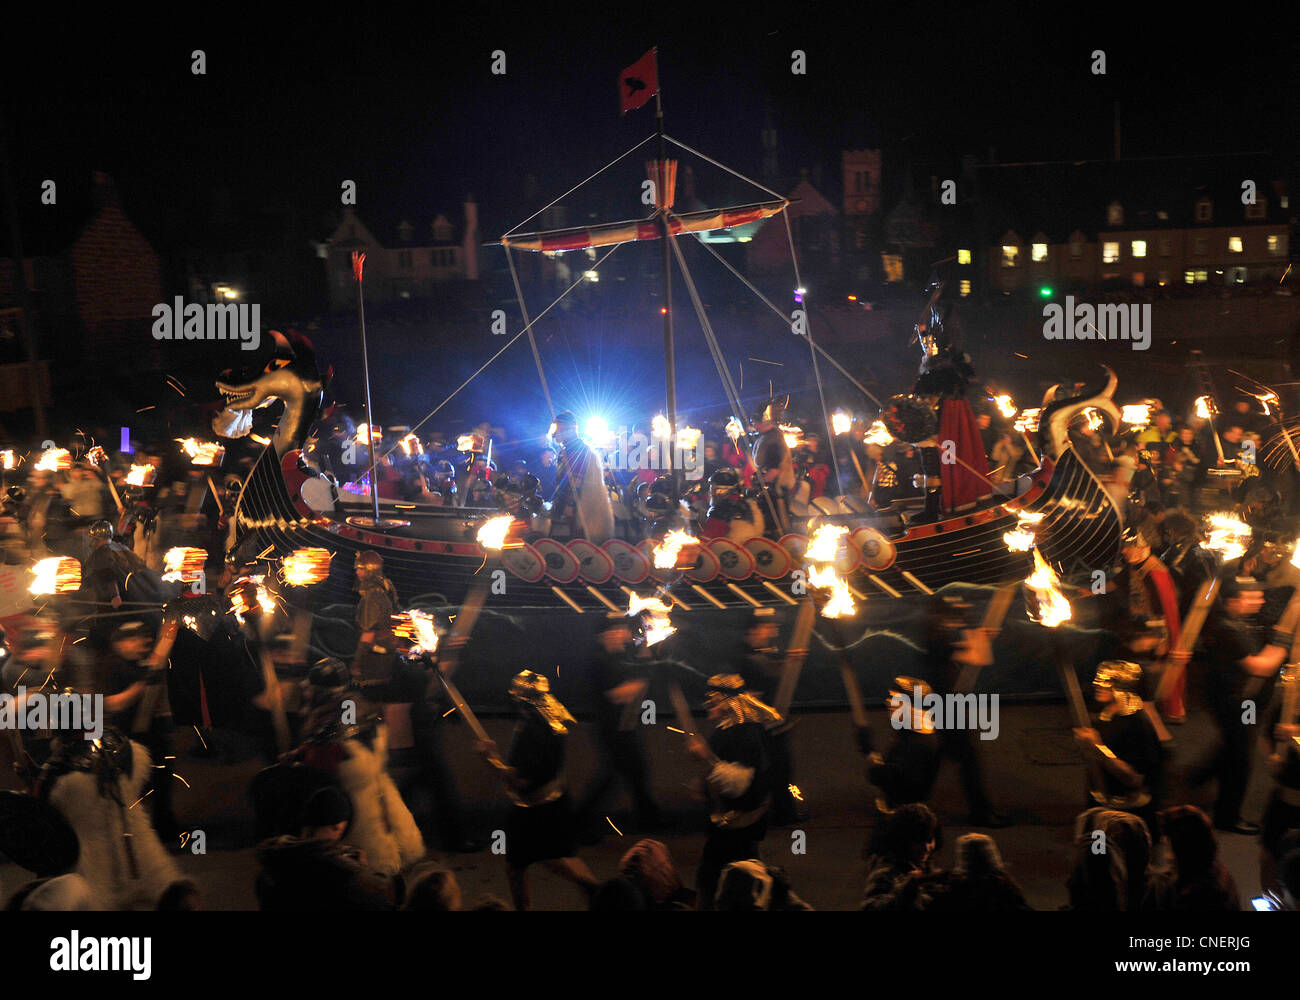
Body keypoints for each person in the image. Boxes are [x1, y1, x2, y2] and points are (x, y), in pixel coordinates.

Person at [476, 670, 597, 910]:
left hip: (537, 811)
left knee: (538, 862)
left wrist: (491, 760)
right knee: (521, 865)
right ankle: (598, 894)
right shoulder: (545, 717)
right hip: (551, 804)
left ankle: (599, 894)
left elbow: (521, 780)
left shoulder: (537, 731)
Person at [1187, 575, 1290, 834]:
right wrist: (1281, 648)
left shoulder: (1239, 623)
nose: (1261, 599)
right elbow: (1260, 667)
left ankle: (1198, 777)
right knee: (1240, 758)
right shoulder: (1228, 630)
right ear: (1233, 601)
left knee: (1235, 744)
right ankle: (1227, 817)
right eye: (1253, 596)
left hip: (1242, 702)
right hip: (1235, 703)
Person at [686, 673, 779, 909]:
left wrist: (705, 756)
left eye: (713, 700)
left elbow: (738, 783)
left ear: (729, 703)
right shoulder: (728, 728)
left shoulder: (745, 735)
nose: (708, 705)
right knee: (745, 870)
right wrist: (703, 784)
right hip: (734, 819)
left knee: (711, 877)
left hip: (739, 821)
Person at [574, 615, 668, 838]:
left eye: (623, 629)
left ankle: (649, 820)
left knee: (636, 773)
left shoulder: (620, 658)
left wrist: (647, 658)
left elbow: (638, 671)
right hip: (612, 729)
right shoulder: (600, 661)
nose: (624, 633)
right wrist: (644, 676)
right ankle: (578, 824)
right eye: (617, 629)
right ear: (605, 635)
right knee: (611, 777)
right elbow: (618, 696)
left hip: (627, 726)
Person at [97, 619, 182, 841]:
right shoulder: (112, 667)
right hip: (127, 738)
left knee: (162, 782)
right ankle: (133, 834)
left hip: (153, 736)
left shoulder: (141, 664)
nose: (144, 642)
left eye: (145, 637)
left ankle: (164, 828)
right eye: (136, 638)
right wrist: (142, 684)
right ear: (120, 644)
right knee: (135, 788)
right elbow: (114, 703)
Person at [255, 785, 394, 911]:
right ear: (339, 826)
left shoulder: (273, 864)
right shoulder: (341, 873)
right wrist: (362, 870)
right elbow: (380, 902)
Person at [1072, 660, 1164, 836]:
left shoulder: (1138, 725)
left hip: (1126, 815)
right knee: (1098, 853)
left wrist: (1098, 748)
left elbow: (1134, 779)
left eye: (1106, 681)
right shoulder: (1105, 714)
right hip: (1101, 807)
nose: (1097, 684)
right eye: (1098, 679)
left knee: (1124, 856)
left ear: (1123, 686)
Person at [1145, 805, 1241, 910]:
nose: (1166, 855)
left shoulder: (1192, 895)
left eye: (1168, 843)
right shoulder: (1215, 869)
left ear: (1179, 850)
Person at [549, 410, 614, 543]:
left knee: (579, 548)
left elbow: (576, 482)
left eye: (559, 427)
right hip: (576, 509)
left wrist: (569, 506)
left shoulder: (577, 451)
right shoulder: (569, 450)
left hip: (582, 512)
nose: (555, 432)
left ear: (569, 429)